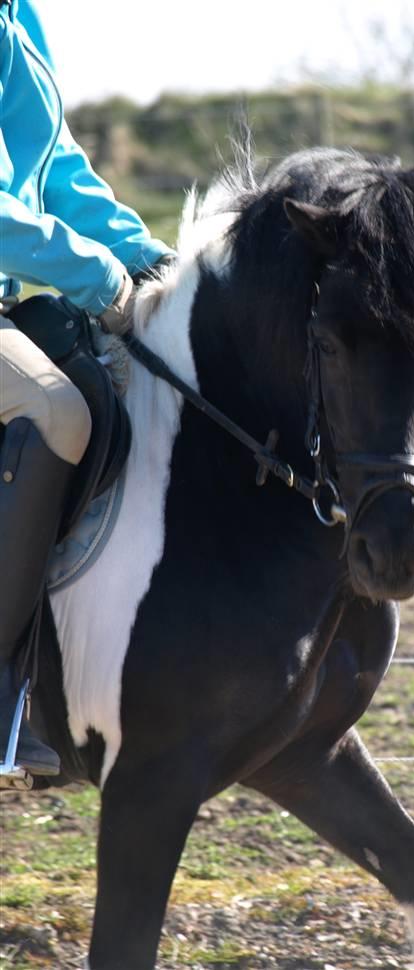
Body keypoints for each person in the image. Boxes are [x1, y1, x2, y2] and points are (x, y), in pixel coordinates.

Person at [0, 0, 174, 780]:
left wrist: (154, 263)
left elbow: (57, 171)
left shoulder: (18, 15)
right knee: (55, 409)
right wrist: (100, 276)